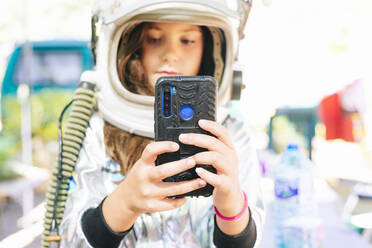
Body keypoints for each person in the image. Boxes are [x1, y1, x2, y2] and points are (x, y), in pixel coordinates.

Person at [56, 0, 264, 247]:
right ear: (131, 46)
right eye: (154, 38)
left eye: (187, 41)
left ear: (209, 49)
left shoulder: (229, 132)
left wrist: (230, 201)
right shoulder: (96, 130)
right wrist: (125, 202)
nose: (170, 54)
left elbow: (245, 241)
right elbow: (69, 238)